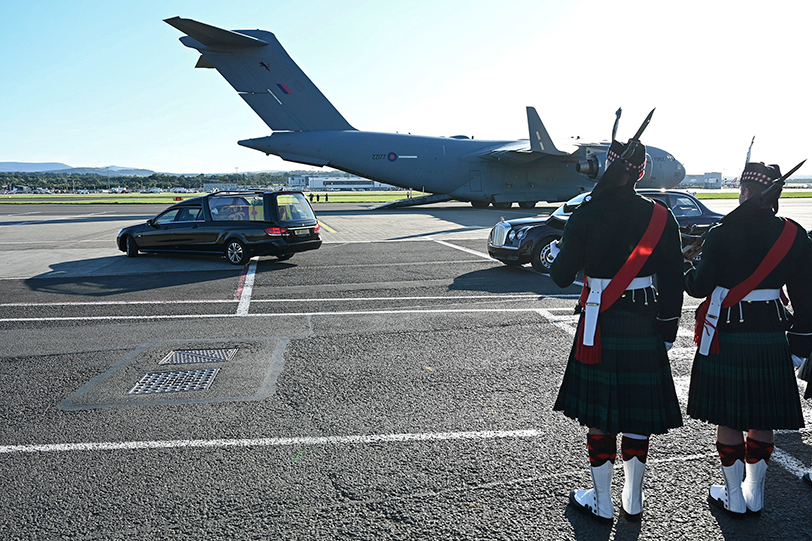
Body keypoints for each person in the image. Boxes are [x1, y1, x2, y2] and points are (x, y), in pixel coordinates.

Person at [549, 134, 684, 524]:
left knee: (602, 414)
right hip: (645, 320)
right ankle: (634, 498)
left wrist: (566, 244)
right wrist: (668, 326)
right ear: (642, 172)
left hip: (600, 320)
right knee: (638, 414)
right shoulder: (660, 215)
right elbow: (673, 278)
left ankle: (602, 501)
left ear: (609, 166)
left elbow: (559, 277)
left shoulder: (587, 213)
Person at [684, 161, 812, 517]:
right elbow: (805, 296)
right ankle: (755, 494)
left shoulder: (723, 232)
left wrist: (688, 270)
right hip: (772, 333)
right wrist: (800, 345)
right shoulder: (794, 233)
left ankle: (734, 497)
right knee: (763, 418)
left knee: (731, 418)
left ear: (744, 191)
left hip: (729, 332)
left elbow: (698, 287)